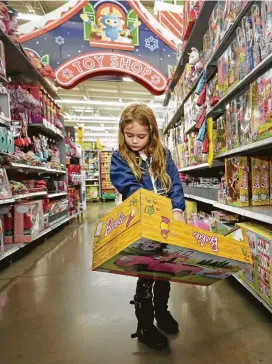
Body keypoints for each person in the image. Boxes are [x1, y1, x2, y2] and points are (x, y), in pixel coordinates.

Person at [110, 104, 185, 349]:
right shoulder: (120, 157)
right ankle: (144, 325)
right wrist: (150, 204)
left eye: (140, 136)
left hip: (165, 225)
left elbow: (175, 184)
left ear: (151, 132)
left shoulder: (163, 154)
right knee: (145, 275)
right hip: (141, 224)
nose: (134, 140)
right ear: (123, 133)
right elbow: (126, 184)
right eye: (129, 135)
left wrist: (177, 209)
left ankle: (162, 313)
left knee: (163, 271)